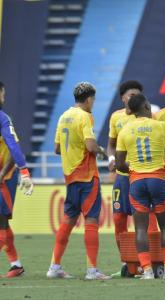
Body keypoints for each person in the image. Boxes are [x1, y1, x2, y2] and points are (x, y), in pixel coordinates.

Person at [46, 82, 110, 280]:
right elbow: (90, 146)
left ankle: (54, 267)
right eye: (94, 100)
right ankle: (92, 271)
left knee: (68, 221)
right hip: (87, 176)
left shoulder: (64, 116)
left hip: (70, 177)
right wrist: (100, 151)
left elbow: (57, 149)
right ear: (89, 99)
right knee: (91, 220)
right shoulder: (85, 116)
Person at [115, 94, 165, 279]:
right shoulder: (162, 126)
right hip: (158, 179)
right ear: (147, 105)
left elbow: (119, 164)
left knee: (140, 229)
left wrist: (134, 169)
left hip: (137, 181)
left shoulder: (125, 130)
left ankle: (147, 271)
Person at [107, 81, 157, 276]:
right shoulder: (116, 118)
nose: (133, 97)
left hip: (143, 174)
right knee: (119, 219)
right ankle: (128, 262)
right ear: (123, 98)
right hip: (122, 176)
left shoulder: (150, 117)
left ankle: (152, 261)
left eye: (137, 94)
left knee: (147, 220)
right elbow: (111, 144)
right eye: (130, 95)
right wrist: (112, 158)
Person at [0, 81, 34, 277]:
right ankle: (16, 264)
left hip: (4, 179)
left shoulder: (3, 119)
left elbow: (14, 149)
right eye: (2, 93)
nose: (4, 97)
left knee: (2, 222)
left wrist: (9, 173)